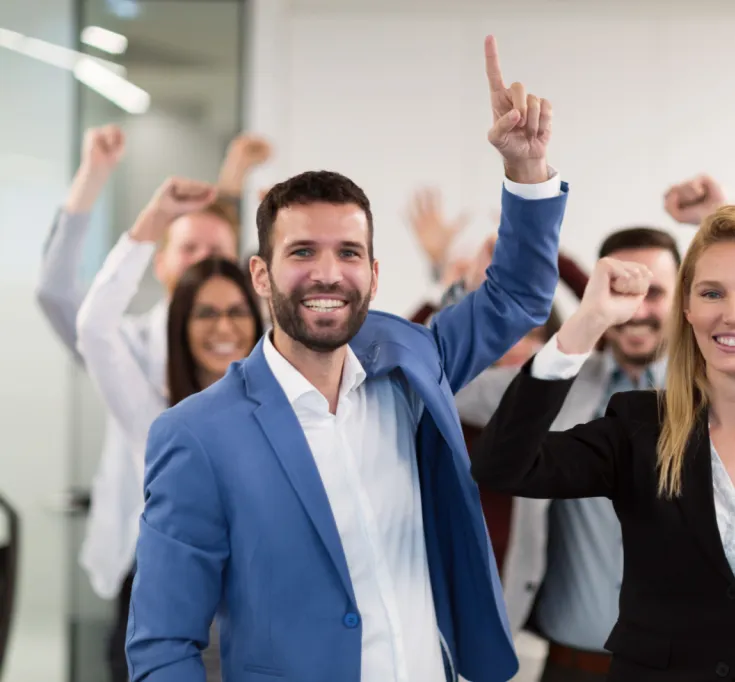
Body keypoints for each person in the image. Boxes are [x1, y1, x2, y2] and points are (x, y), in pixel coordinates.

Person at [125, 35, 568, 682]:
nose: (327, 274)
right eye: (302, 252)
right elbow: (163, 646)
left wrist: (526, 170)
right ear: (261, 274)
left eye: (348, 253)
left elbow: (520, 294)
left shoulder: (414, 361)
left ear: (375, 271)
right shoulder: (197, 436)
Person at [471, 205, 735, 681]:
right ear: (686, 308)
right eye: (712, 293)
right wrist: (585, 323)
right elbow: (503, 466)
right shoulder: (639, 427)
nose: (733, 315)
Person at [35, 124, 268, 682]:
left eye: (215, 252)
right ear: (160, 261)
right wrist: (109, 186)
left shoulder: (270, 371)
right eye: (187, 248)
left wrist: (234, 178)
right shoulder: (138, 366)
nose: (220, 326)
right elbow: (69, 304)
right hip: (152, 573)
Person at [452, 227, 680, 681]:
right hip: (572, 667)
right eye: (622, 291)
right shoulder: (554, 380)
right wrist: (472, 292)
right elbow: (450, 382)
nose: (637, 309)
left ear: (685, 298)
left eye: (653, 292)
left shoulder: (717, 392)